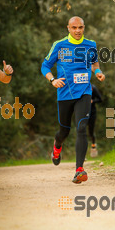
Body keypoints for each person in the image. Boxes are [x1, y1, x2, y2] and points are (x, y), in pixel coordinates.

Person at [41, 16, 105, 184]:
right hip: (64, 94)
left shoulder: (91, 45)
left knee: (82, 127)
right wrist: (52, 80)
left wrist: (97, 72)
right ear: (68, 28)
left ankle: (79, 170)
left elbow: (95, 64)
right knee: (64, 131)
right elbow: (45, 65)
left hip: (84, 92)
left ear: (84, 28)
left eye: (81, 27)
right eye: (74, 27)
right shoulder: (59, 45)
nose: (78, 30)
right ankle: (57, 146)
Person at [88, 84, 102, 157]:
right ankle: (82, 152)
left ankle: (93, 146)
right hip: (83, 112)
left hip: (92, 113)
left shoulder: (93, 88)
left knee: (91, 132)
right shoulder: (79, 87)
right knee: (81, 131)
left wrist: (92, 101)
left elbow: (100, 99)